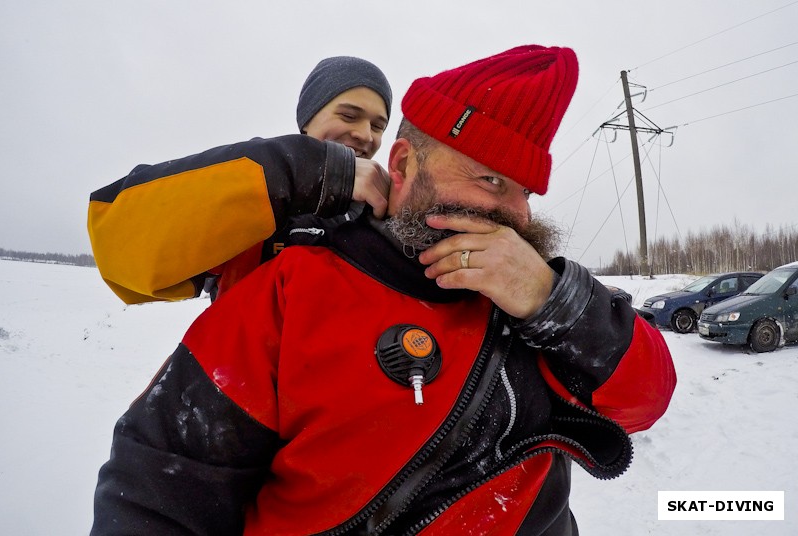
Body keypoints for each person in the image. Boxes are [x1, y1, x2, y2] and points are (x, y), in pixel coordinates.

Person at [91, 45, 676, 535]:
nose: (515, 213)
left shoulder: (521, 288)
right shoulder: (280, 258)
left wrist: (555, 301)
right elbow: (161, 488)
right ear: (404, 164)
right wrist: (311, 170)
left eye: (526, 192)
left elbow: (646, 395)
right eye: (490, 178)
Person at [87, 55, 393, 303]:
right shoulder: (252, 186)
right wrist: (317, 170)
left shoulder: (390, 209)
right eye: (349, 116)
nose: (365, 135)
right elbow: (122, 250)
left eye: (378, 126)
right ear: (308, 119)